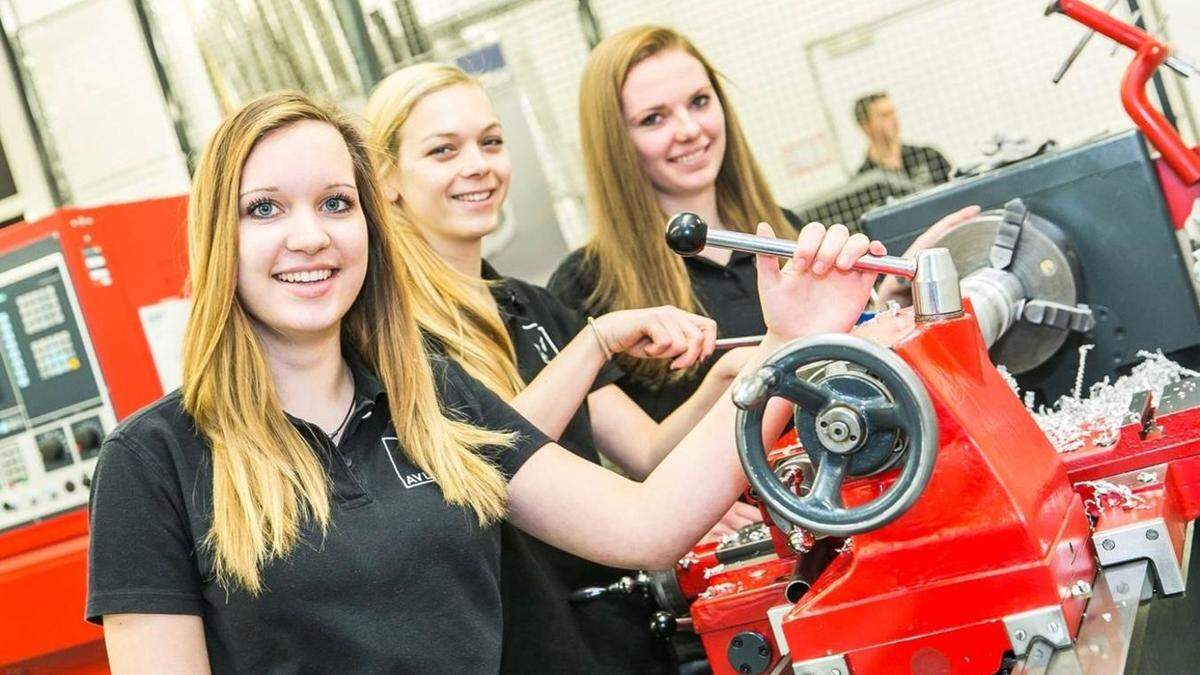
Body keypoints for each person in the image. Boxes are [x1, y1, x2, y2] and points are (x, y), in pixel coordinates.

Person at [85, 90, 884, 673]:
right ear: (216, 236)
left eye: (335, 202)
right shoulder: (154, 461)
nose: (310, 236)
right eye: (264, 208)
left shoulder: (431, 400)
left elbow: (646, 522)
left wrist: (790, 343)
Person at [364, 62, 758, 673]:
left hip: (615, 636)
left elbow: (648, 452)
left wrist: (728, 380)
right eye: (444, 151)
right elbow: (489, 469)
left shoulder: (533, 306)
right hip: (521, 640)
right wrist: (596, 342)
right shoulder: (390, 334)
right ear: (386, 176)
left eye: (490, 142)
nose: (478, 165)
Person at [548, 26, 976, 422]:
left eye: (699, 102)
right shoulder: (583, 285)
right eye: (653, 119)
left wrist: (887, 300)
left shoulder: (781, 230)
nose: (690, 129)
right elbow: (627, 466)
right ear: (615, 141)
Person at [853, 91, 952, 188]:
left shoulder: (929, 156)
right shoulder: (863, 181)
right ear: (865, 126)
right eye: (884, 116)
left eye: (893, 113)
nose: (894, 119)